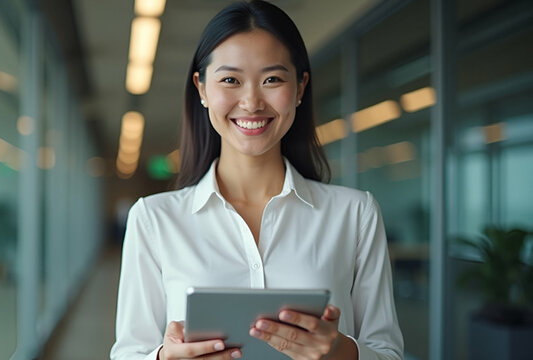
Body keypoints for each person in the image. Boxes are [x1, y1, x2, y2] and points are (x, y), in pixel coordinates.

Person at [109, 1, 404, 360]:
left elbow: (389, 353)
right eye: (230, 80)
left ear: (299, 88)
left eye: (272, 80)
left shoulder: (355, 215)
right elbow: (129, 353)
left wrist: (343, 353)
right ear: (201, 88)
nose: (251, 102)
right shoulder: (155, 220)